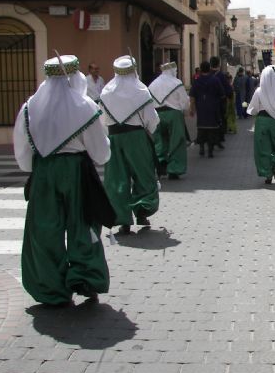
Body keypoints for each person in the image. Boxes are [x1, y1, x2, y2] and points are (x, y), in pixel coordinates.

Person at [13, 55, 112, 305]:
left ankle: (50, 287)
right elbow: (101, 153)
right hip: (77, 171)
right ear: (75, 75)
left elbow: (23, 154)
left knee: (45, 229)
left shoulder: (29, 109)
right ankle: (85, 278)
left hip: (44, 172)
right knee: (83, 225)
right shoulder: (86, 107)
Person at [99, 55, 160, 235]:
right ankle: (142, 211)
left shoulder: (106, 92)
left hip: (115, 137)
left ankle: (122, 218)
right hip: (137, 137)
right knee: (144, 174)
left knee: (117, 178)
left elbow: (102, 120)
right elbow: (152, 119)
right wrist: (149, 130)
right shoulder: (141, 91)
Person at [246, 65, 275, 184]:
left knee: (263, 148)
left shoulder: (259, 91)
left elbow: (253, 109)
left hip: (262, 121)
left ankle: (267, 173)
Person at [148, 61, 189, 179]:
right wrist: (184, 109)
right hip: (174, 114)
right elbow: (184, 102)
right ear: (173, 70)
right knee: (177, 141)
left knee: (159, 141)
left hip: (157, 114)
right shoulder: (177, 83)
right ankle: (174, 169)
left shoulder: (153, 84)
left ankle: (160, 164)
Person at [189, 60, 225, 158]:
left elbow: (192, 96)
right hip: (213, 108)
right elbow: (222, 94)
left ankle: (201, 148)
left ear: (200, 69)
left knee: (201, 128)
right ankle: (210, 151)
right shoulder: (215, 80)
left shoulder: (197, 81)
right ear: (209, 69)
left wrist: (191, 109)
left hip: (201, 108)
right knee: (212, 130)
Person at [210, 56, 232, 148]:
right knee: (221, 119)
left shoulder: (208, 75)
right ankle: (220, 137)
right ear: (218, 64)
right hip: (220, 102)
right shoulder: (221, 76)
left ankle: (211, 137)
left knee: (210, 120)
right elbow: (228, 89)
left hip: (209, 103)